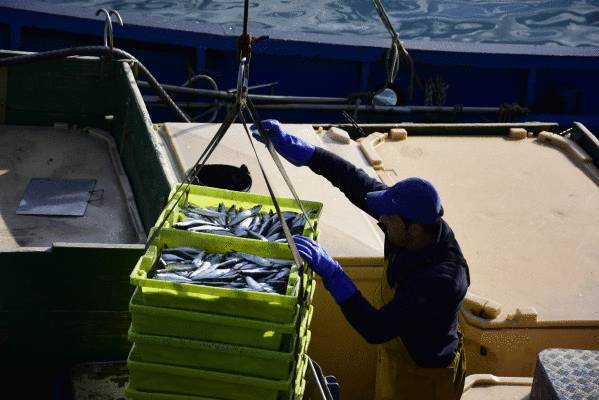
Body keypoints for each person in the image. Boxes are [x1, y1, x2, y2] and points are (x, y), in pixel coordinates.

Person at [251, 119, 470, 400]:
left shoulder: (444, 279)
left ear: (414, 230)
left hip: (423, 379)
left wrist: (333, 274)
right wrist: (296, 148)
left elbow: (376, 328)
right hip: (396, 354)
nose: (381, 220)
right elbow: (350, 177)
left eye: (388, 219)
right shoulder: (412, 224)